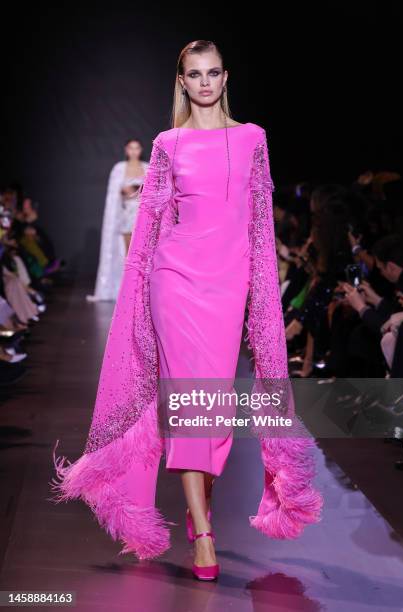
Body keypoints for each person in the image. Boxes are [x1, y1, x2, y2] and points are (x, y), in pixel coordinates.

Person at [51, 39, 323, 581]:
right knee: (190, 407)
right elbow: (150, 228)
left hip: (228, 286)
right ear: (183, 82)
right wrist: (135, 294)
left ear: (225, 79)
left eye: (213, 72)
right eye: (194, 74)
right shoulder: (167, 143)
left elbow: (261, 226)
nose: (204, 82)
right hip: (173, 283)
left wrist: (262, 298)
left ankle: (202, 510)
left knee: (212, 409)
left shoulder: (253, 139)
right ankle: (202, 533)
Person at [86, 139, 149, 302]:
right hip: (127, 215)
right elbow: (116, 194)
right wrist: (133, 191)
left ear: (140, 150)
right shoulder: (119, 168)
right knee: (129, 254)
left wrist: (134, 191)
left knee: (143, 252)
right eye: (131, 148)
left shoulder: (147, 167)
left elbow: (152, 190)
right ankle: (130, 287)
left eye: (137, 148)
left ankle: (143, 288)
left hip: (144, 214)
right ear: (126, 150)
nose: (134, 151)